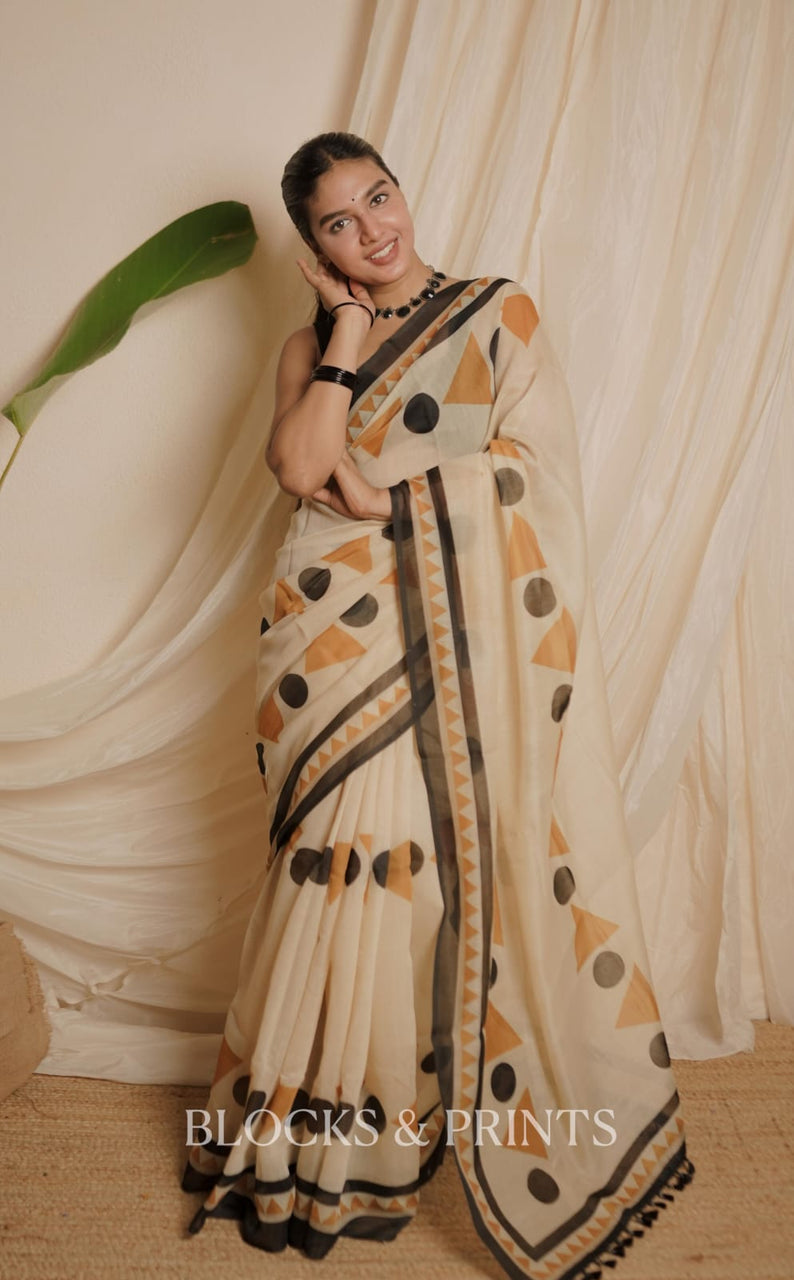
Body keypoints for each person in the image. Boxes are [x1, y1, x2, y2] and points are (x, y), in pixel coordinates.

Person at [181, 132, 694, 1278]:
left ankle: (390, 1124)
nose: (373, 229)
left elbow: (537, 478)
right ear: (314, 246)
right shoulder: (308, 345)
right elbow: (300, 468)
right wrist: (344, 334)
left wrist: (397, 498)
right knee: (324, 863)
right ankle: (308, 1137)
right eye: (339, 222)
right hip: (324, 642)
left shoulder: (494, 316)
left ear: (402, 191)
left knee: (406, 872)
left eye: (379, 197)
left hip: (448, 626)